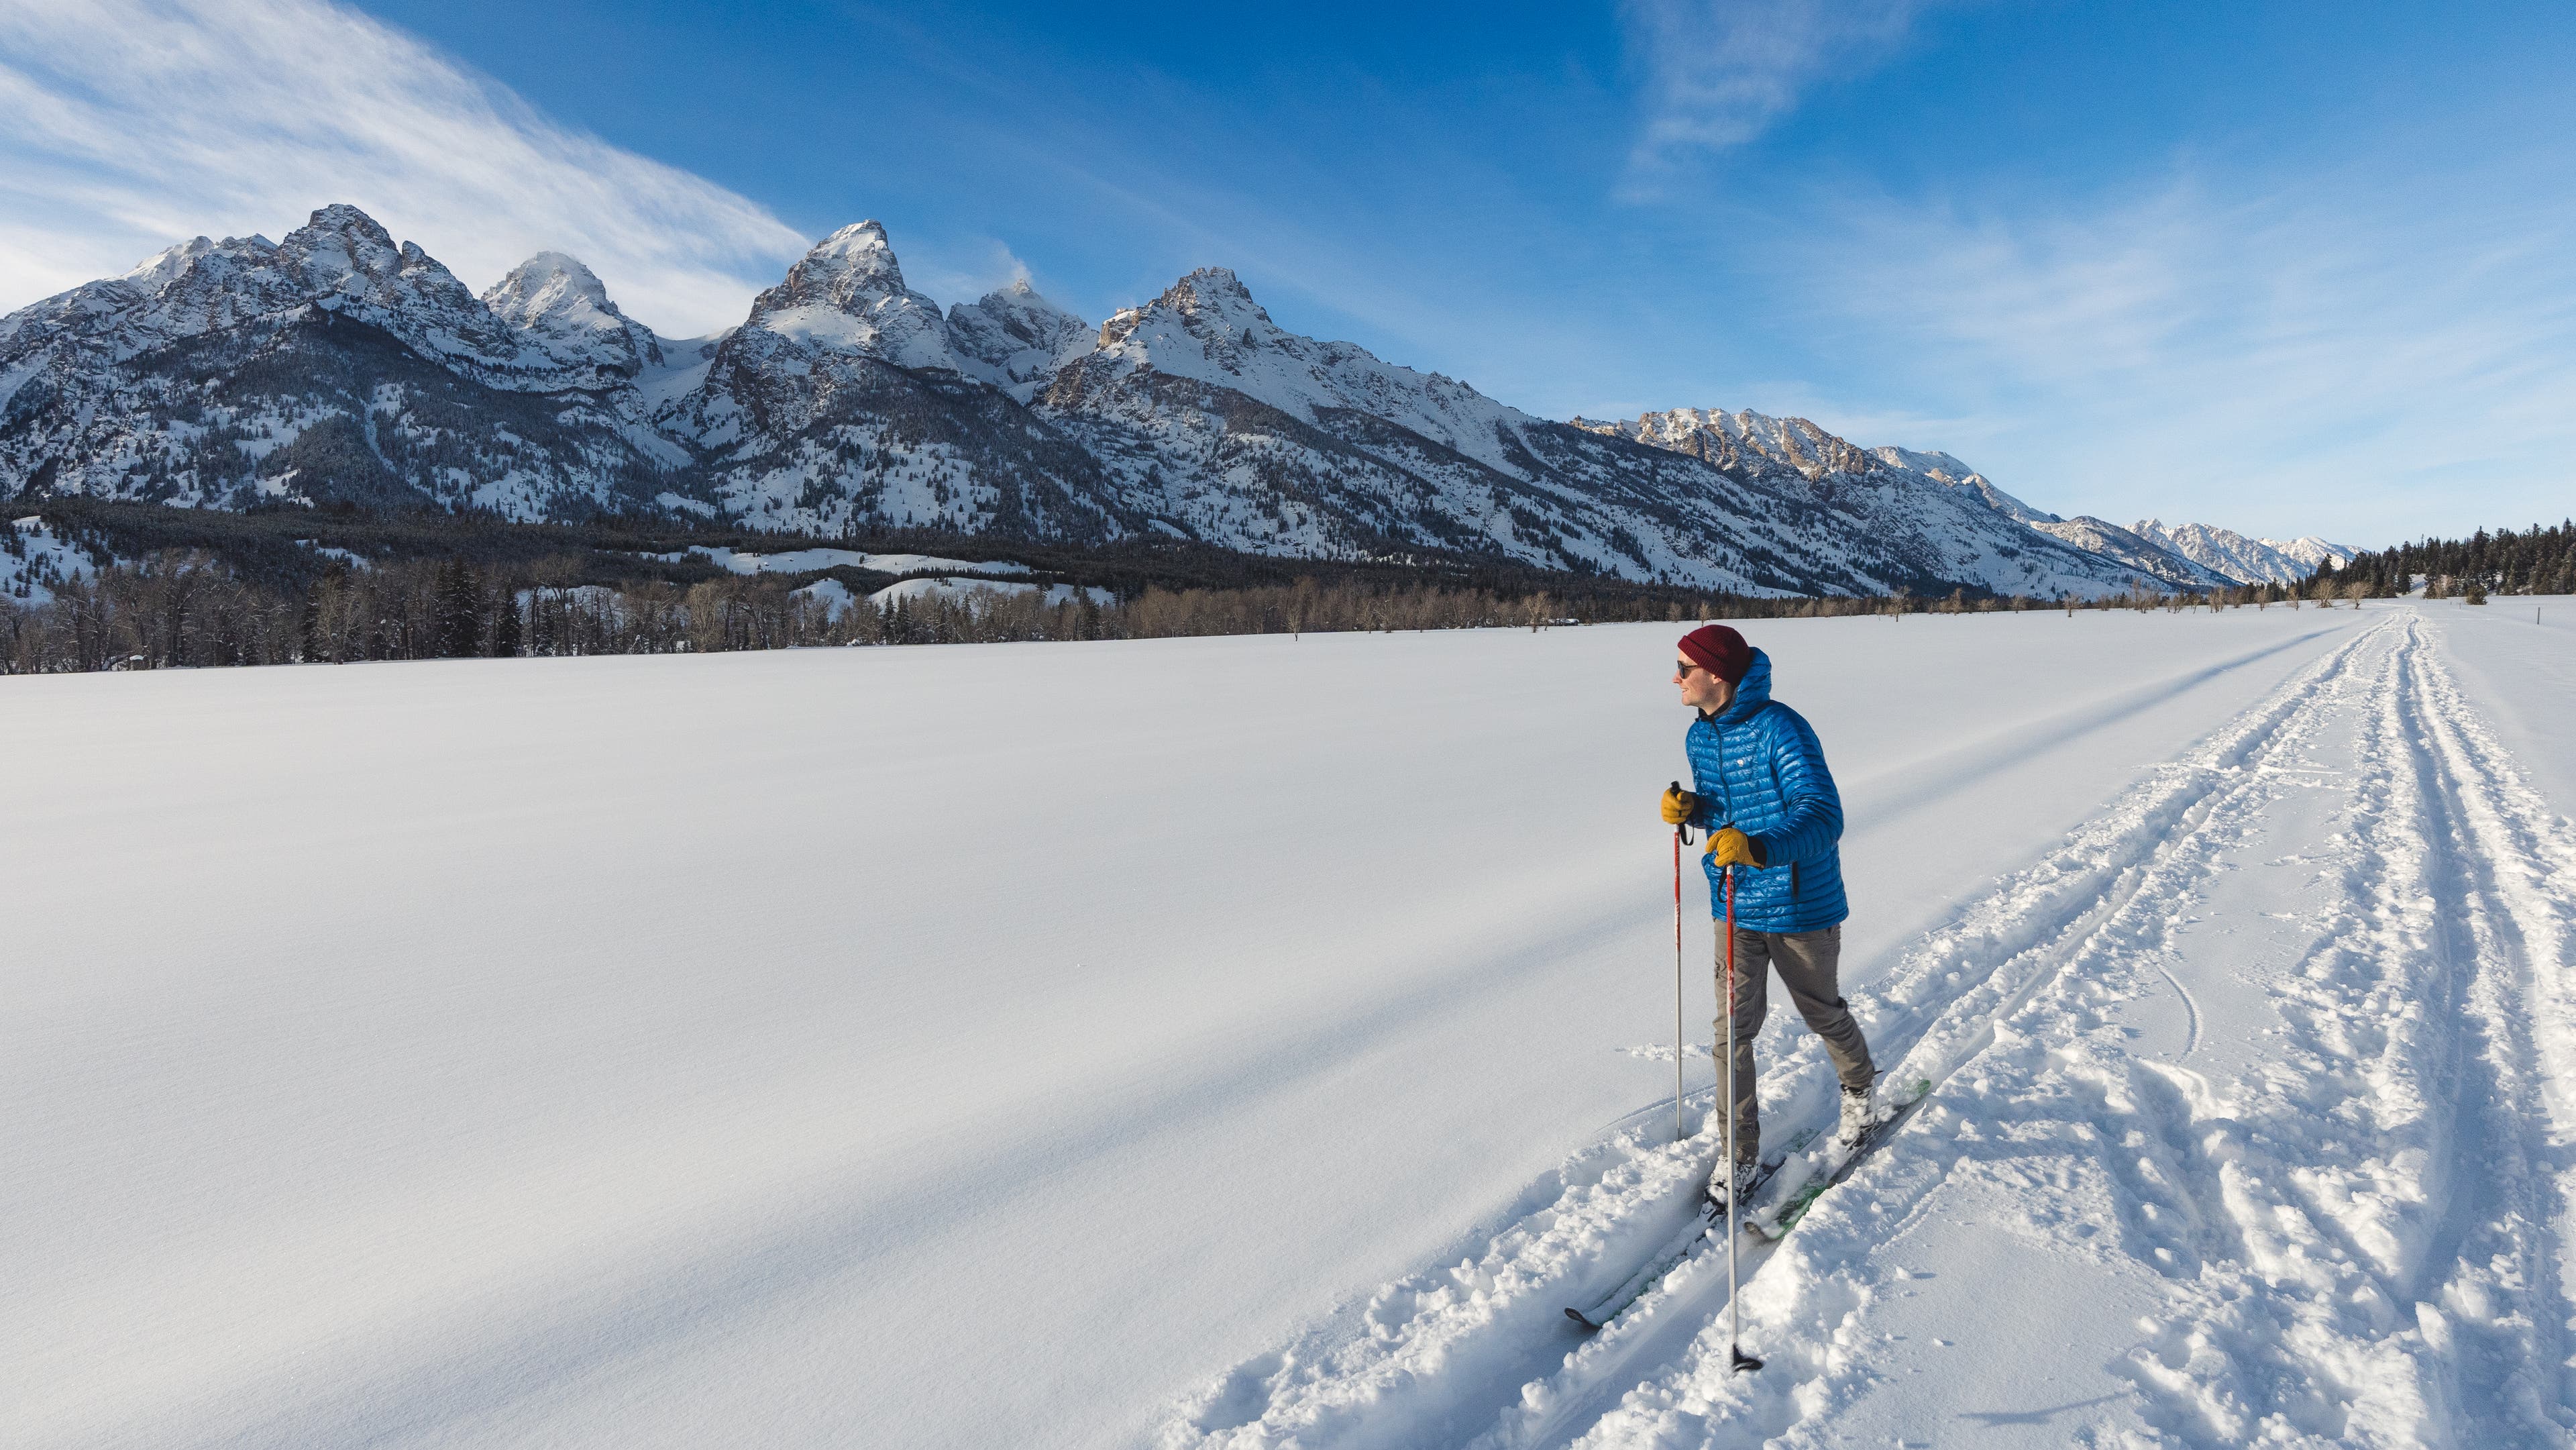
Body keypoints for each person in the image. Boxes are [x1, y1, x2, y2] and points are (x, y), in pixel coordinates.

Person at [1659, 624, 1876, 1208]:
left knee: (1822, 1012)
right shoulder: (1701, 736)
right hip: (1734, 901)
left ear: (1717, 675)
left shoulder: (1783, 728)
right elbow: (1731, 807)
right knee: (1731, 1031)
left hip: (1801, 901)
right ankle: (1739, 1154)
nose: (1674, 678)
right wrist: (1693, 809)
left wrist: (1759, 847)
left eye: (1684, 668)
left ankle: (1859, 1092)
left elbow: (1823, 815)